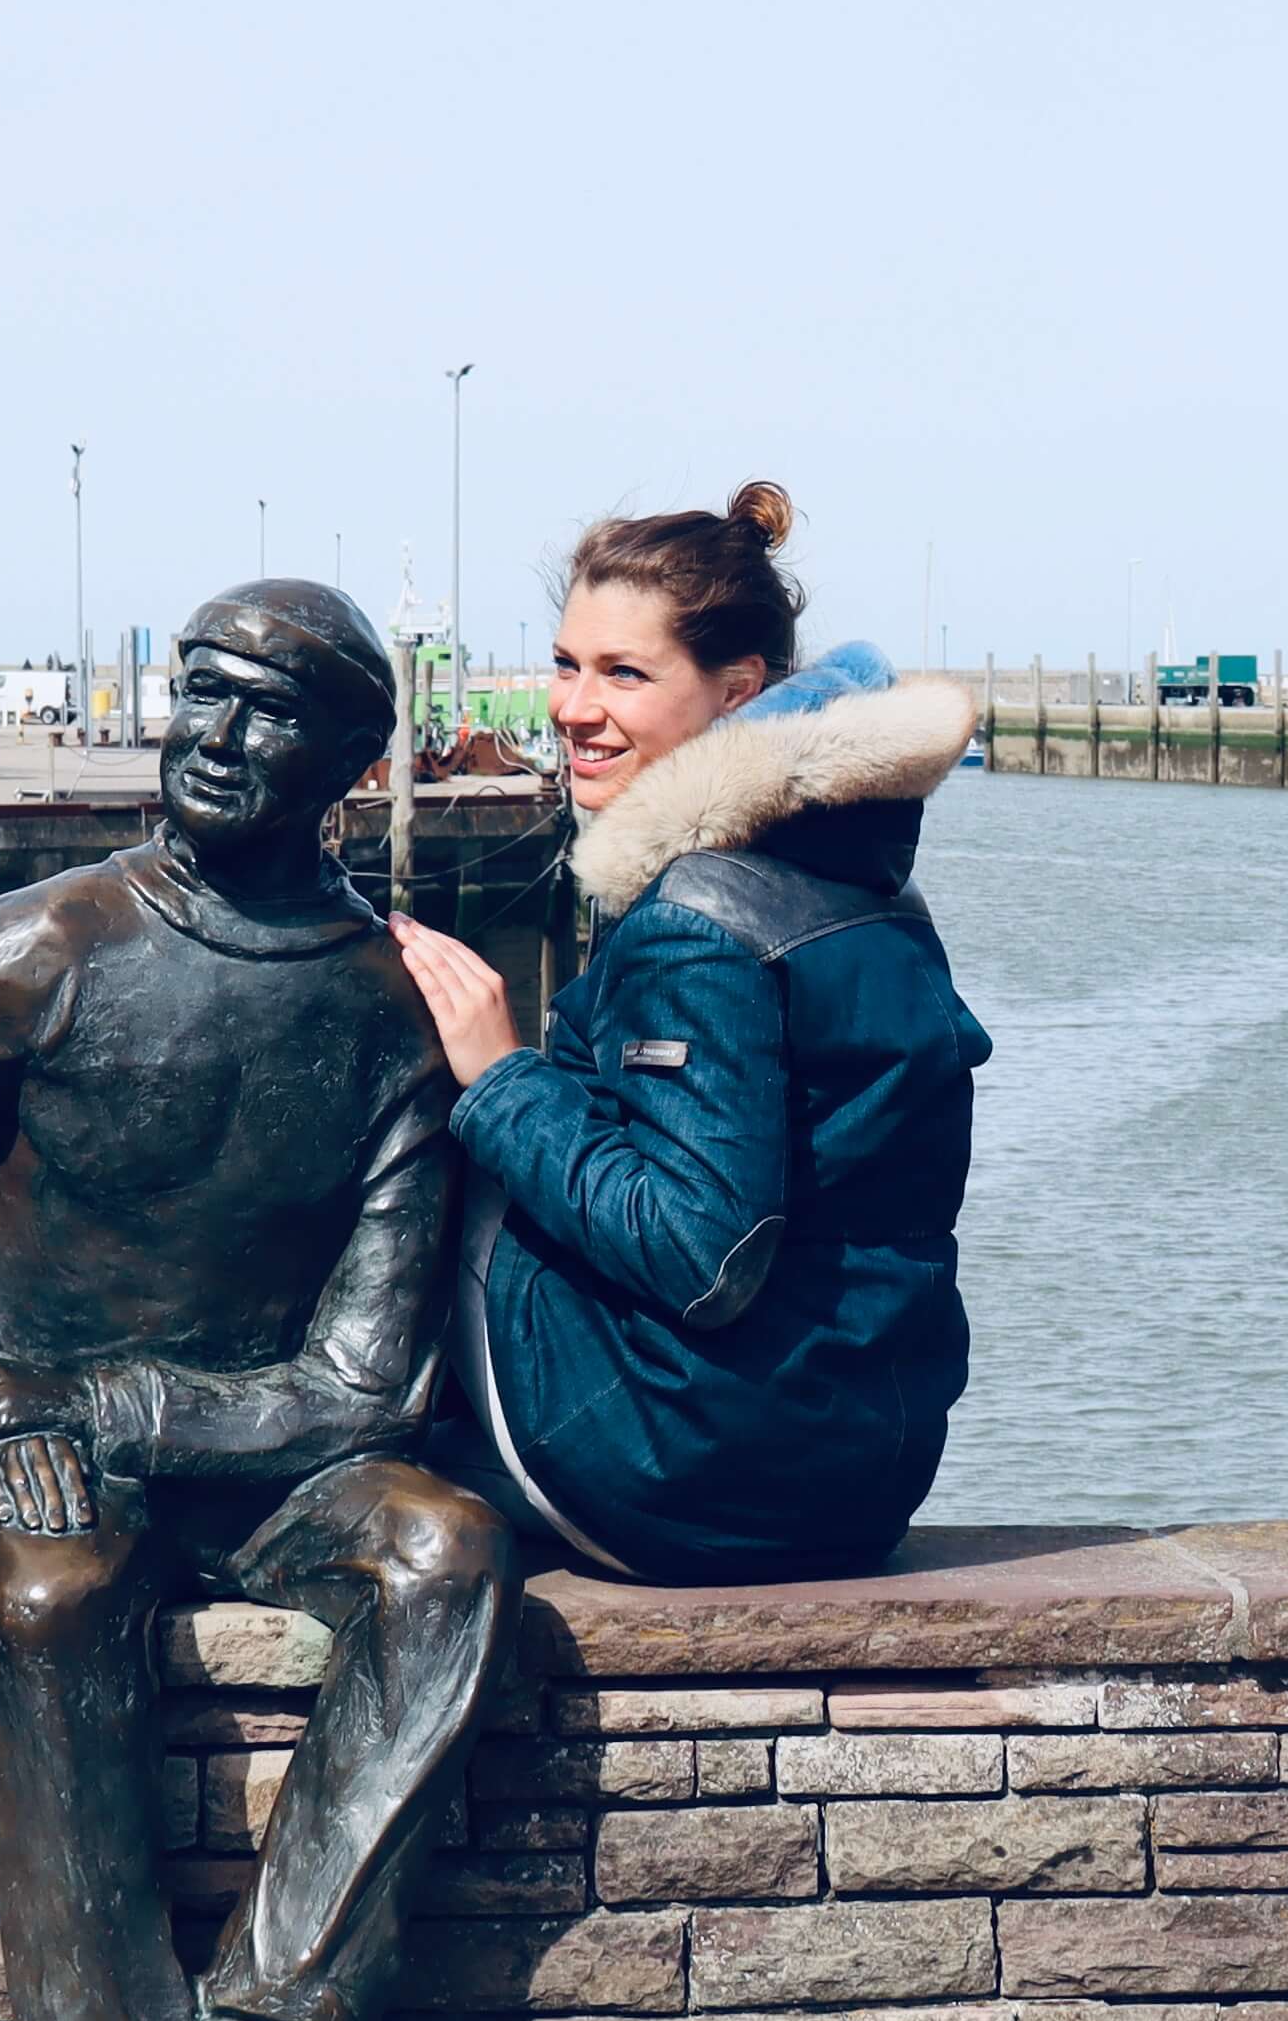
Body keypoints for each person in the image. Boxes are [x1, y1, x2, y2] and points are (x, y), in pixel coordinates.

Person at [0, 582, 502, 2021]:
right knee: (46, 1594)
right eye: (202, 691)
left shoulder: (383, 1008)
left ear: (351, 757)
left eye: (271, 710)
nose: (218, 732)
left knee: (448, 1550)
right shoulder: (29, 946)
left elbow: (368, 1368)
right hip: (39, 1449)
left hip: (271, 1458)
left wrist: (131, 1404)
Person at [388, 484, 989, 1587]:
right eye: (566, 664)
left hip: (687, 1481)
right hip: (859, 1473)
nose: (573, 707)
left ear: (736, 692)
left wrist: (501, 1076)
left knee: (417, 1139)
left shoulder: (697, 921)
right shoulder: (865, 883)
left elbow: (698, 1254)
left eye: (624, 674)